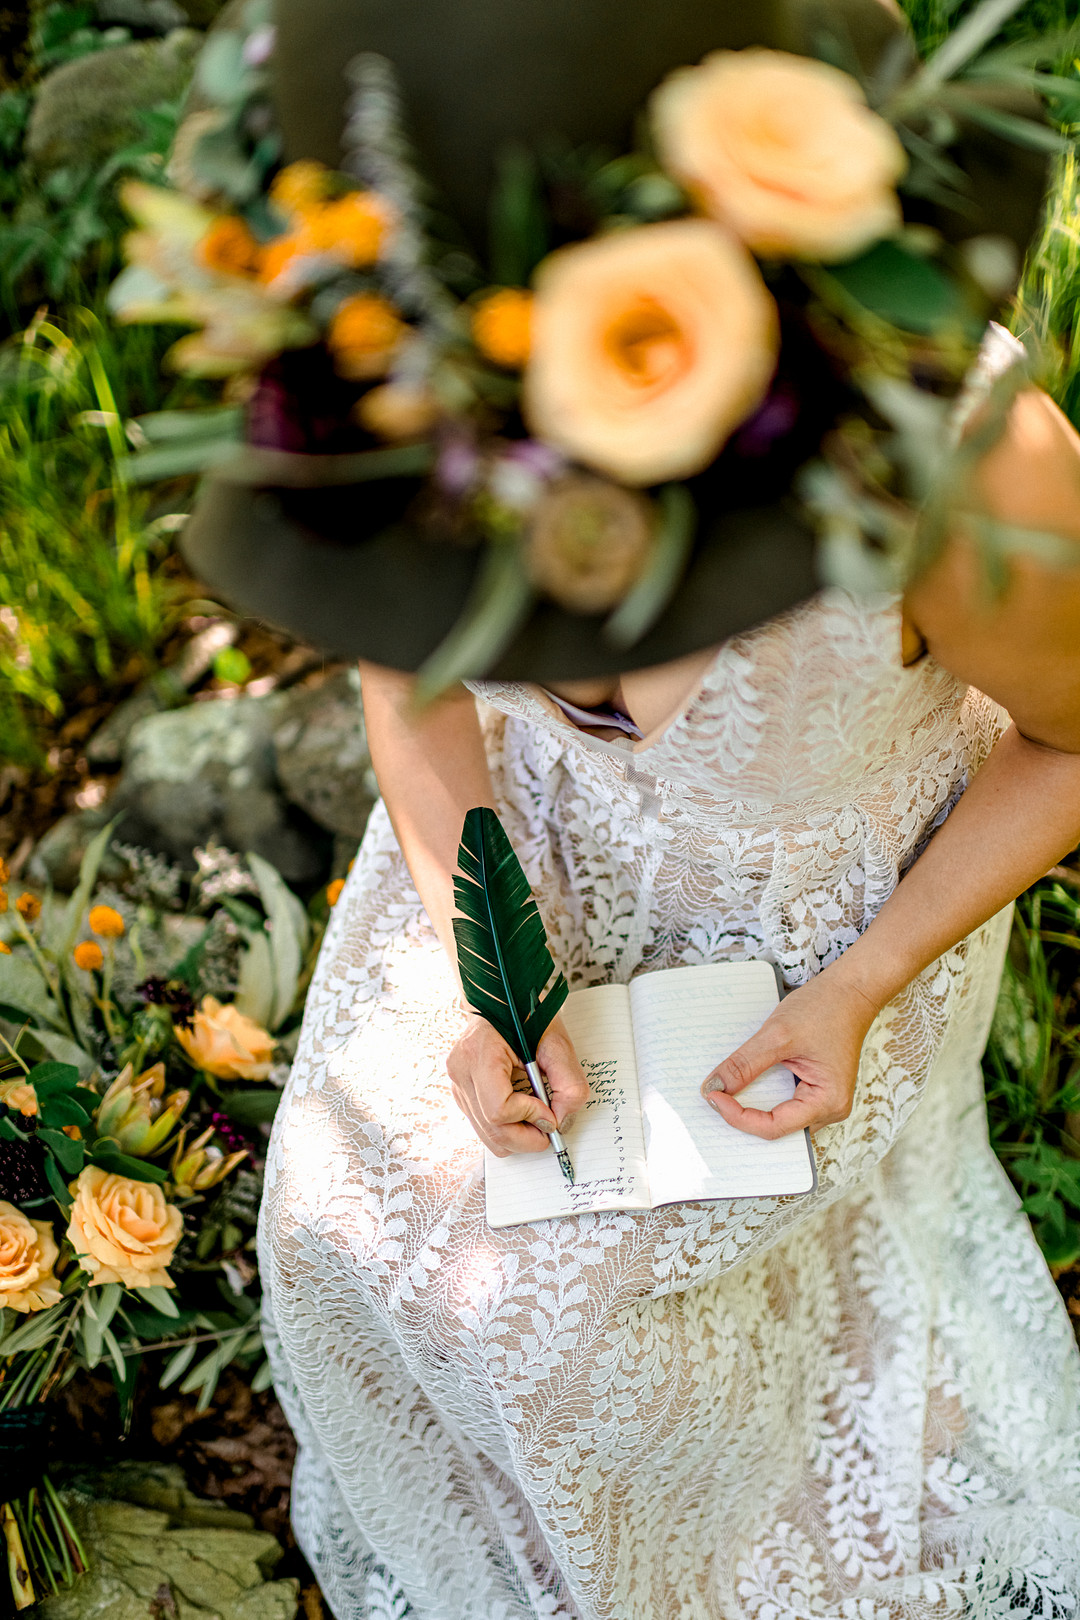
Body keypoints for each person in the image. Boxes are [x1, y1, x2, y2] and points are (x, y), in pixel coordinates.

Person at [136, 0, 1080, 1608]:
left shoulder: (959, 468)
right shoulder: (395, 385)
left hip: (836, 943)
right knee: (330, 1232)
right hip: (511, 861)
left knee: (580, 1337)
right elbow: (411, 684)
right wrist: (480, 956)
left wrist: (860, 986)